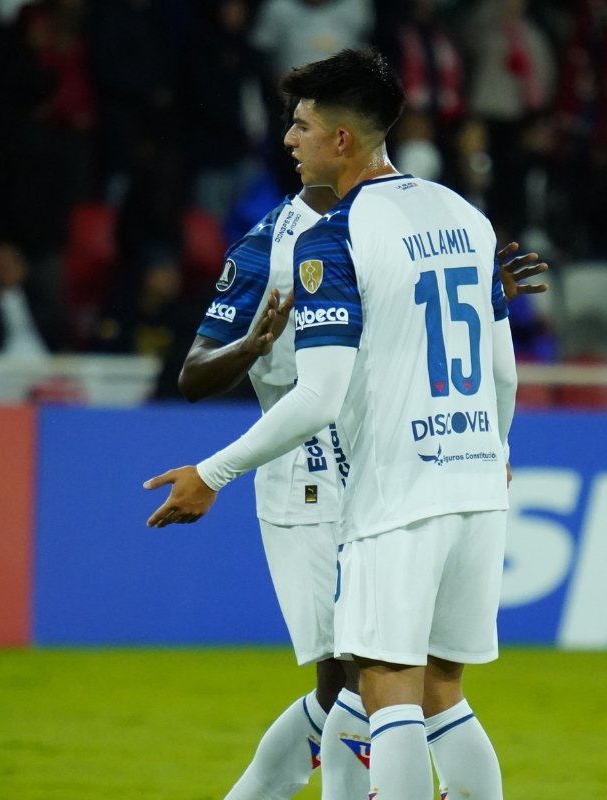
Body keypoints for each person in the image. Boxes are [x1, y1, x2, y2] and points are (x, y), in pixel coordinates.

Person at [147, 48, 518, 800]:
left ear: (341, 139)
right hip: (472, 478)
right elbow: (503, 373)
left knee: (383, 688)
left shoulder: (334, 237)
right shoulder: (464, 216)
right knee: (439, 690)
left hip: (390, 488)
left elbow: (319, 396)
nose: (288, 139)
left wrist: (211, 473)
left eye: (302, 126)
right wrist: (496, 449)